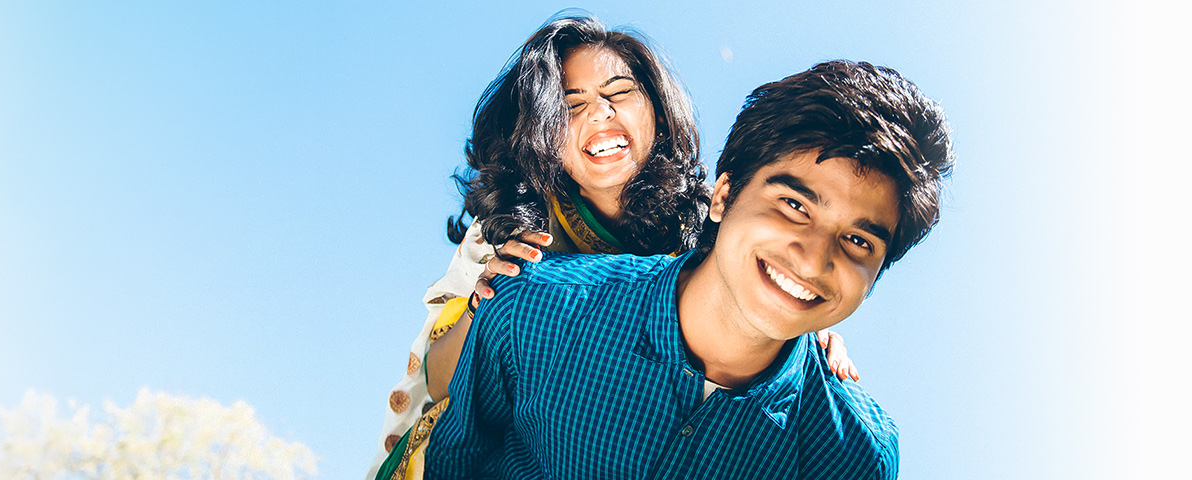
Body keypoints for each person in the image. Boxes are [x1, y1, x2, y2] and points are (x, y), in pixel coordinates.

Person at [369, 14, 858, 480]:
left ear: (659, 115)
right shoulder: (511, 229)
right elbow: (436, 380)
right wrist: (486, 305)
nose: (599, 114)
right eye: (571, 105)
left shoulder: (711, 219)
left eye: (618, 94)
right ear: (546, 133)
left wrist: (801, 334)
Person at [424, 59, 955, 479]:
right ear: (723, 195)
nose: (814, 259)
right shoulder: (531, 303)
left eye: (858, 240)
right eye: (795, 206)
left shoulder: (854, 455)